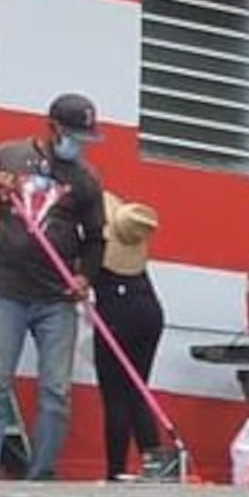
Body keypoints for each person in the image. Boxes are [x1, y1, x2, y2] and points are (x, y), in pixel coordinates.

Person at [0, 94, 110, 482]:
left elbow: (96, 240)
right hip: (7, 291)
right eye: (72, 135)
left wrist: (85, 277)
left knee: (56, 392)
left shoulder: (85, 180)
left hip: (56, 298)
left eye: (84, 138)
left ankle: (41, 474)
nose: (78, 144)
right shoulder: (9, 155)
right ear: (51, 127)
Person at [93, 192, 174, 482]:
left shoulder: (98, 252)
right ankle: (154, 464)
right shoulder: (136, 264)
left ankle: (116, 470)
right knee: (138, 390)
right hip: (150, 312)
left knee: (116, 396)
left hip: (118, 312)